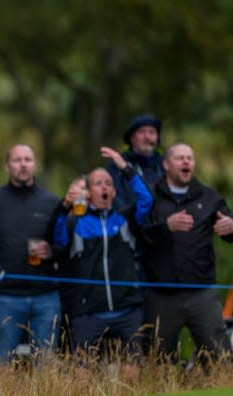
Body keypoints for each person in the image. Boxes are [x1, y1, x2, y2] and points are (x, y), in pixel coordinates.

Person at [52, 148, 153, 369]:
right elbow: (57, 240)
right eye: (98, 183)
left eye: (108, 183)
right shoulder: (75, 223)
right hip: (88, 312)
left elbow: (146, 199)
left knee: (132, 372)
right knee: (83, 374)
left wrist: (124, 167)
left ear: (114, 192)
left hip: (127, 309)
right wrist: (64, 207)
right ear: (87, 192)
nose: (104, 187)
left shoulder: (125, 219)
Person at [0, 144, 61, 363]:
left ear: (34, 165)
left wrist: (52, 251)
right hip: (6, 295)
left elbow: (67, 243)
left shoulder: (52, 202)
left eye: (28, 159)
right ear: (7, 166)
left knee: (45, 363)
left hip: (46, 295)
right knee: (2, 363)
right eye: (17, 160)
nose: (23, 165)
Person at [141, 143, 233, 361]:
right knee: (157, 361)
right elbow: (139, 236)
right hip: (162, 295)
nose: (186, 162)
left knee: (221, 358)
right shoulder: (151, 196)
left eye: (189, 158)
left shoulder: (208, 196)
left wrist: (231, 225)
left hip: (202, 293)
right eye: (179, 158)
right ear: (165, 164)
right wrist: (166, 227)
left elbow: (228, 230)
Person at [107, 115, 164, 210]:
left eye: (152, 132)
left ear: (157, 138)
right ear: (132, 138)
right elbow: (116, 199)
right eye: (142, 132)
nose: (147, 137)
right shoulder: (118, 164)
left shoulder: (165, 165)